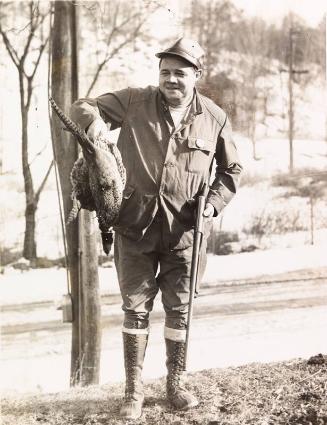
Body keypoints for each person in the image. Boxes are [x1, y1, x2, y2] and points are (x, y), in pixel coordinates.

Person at [71, 37, 242, 419]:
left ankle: (175, 384)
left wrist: (212, 205)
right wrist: (95, 122)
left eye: (180, 74)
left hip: (186, 233)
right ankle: (133, 392)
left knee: (179, 310)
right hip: (135, 226)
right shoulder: (133, 101)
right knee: (135, 309)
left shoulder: (214, 118)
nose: (171, 80)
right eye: (165, 72)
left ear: (197, 75)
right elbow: (81, 106)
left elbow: (231, 171)